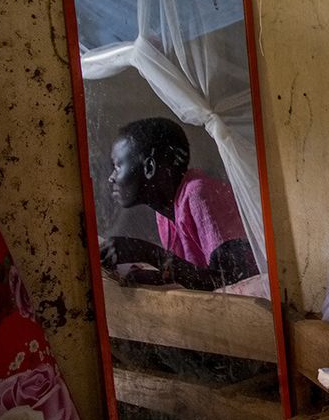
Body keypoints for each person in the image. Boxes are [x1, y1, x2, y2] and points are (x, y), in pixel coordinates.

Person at [99, 117, 257, 290]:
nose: (111, 177)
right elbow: (197, 274)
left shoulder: (200, 193)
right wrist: (156, 277)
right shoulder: (165, 211)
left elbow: (232, 281)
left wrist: (147, 252)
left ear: (149, 168)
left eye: (117, 166)